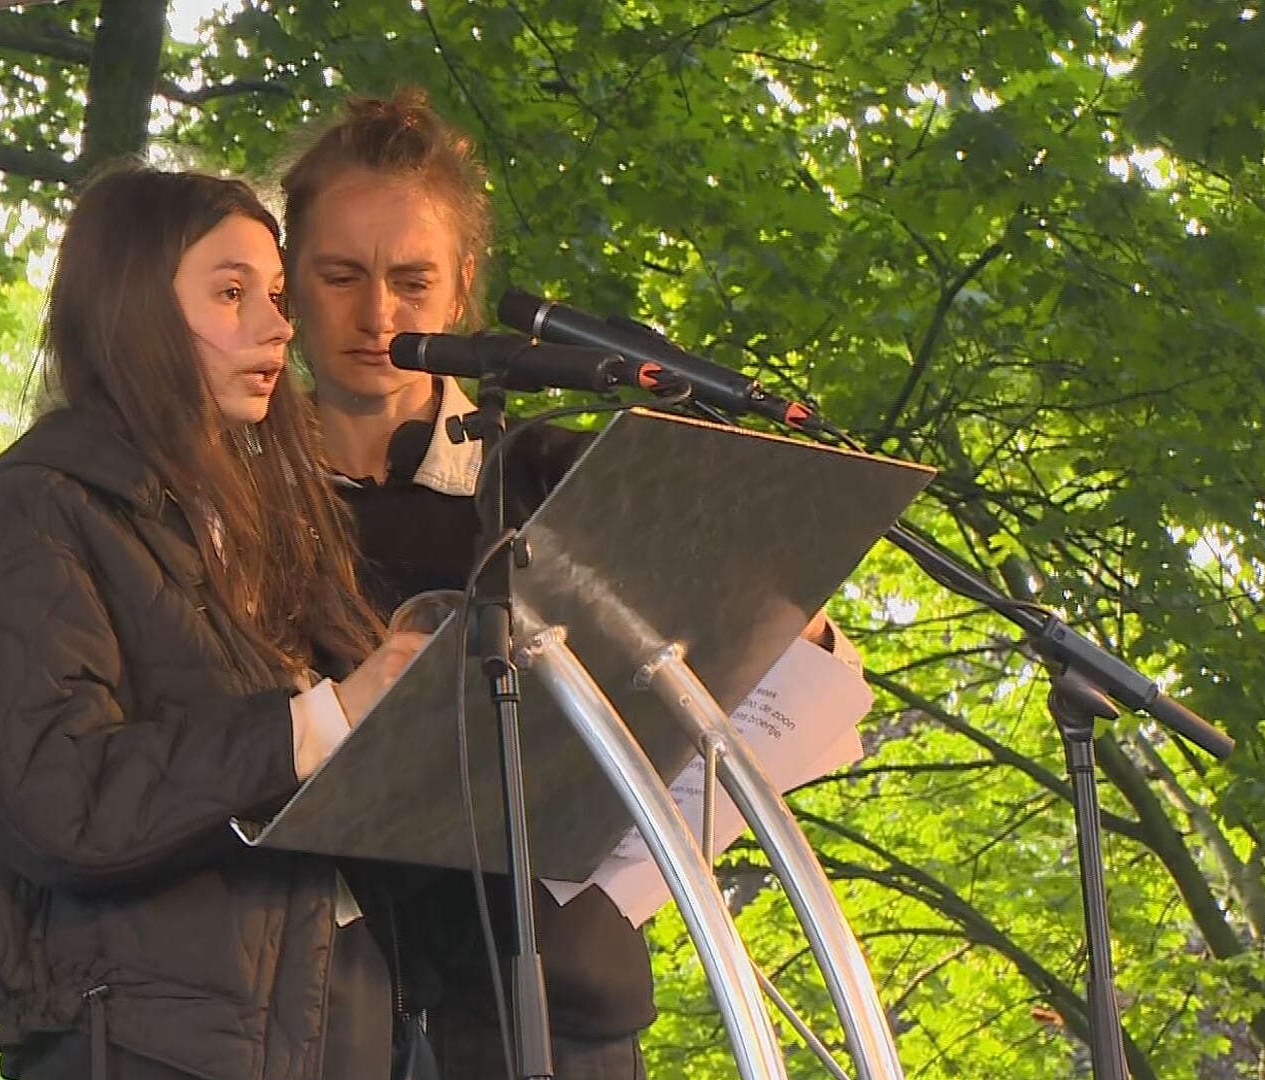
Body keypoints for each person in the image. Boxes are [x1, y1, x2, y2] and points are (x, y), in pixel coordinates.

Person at [279, 89, 863, 1079]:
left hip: (562, 1007)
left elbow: (776, 676)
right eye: (340, 275)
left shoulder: (557, 476)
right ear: (287, 279)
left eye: (412, 280)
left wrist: (773, 622)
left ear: (463, 289)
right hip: (330, 1019)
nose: (377, 314)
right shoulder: (234, 499)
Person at [0, 165, 430, 1080]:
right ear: (132, 309)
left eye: (274, 294)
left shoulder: (257, 522)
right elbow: (59, 798)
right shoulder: (36, 519)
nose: (277, 325)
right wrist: (320, 722)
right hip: (141, 1043)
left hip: (328, 1025)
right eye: (230, 294)